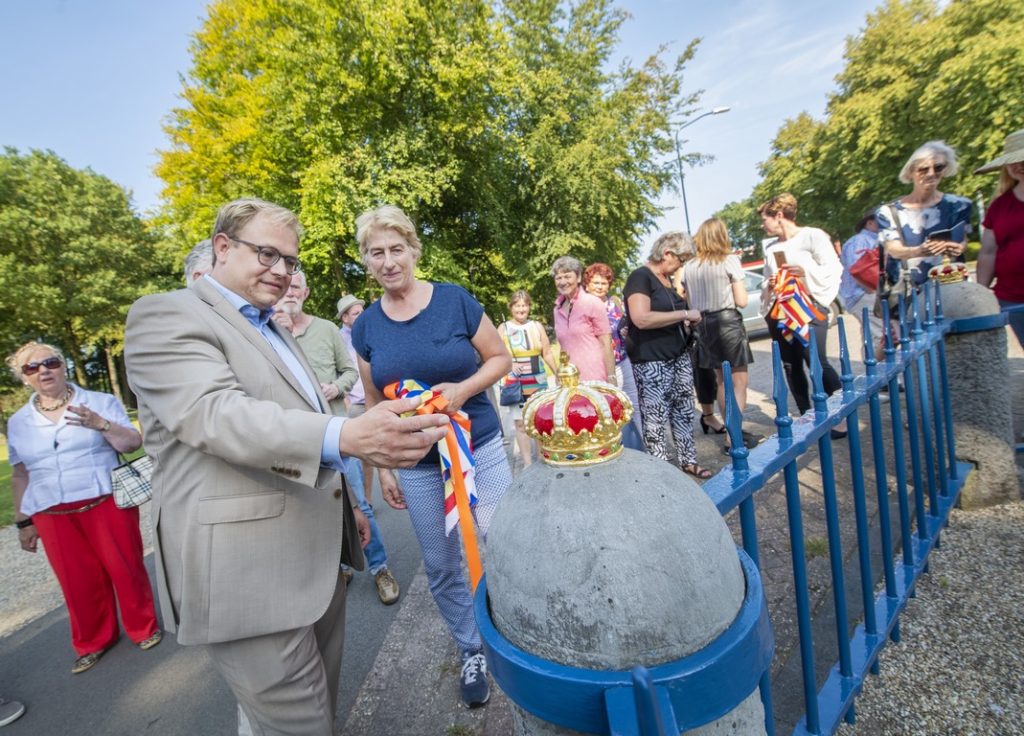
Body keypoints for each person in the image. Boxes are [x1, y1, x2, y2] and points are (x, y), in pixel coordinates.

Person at [124, 198, 449, 735]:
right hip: (245, 576)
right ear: (223, 247)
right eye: (267, 254)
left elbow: (304, 422)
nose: (282, 271)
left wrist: (350, 509)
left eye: (291, 261)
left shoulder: (272, 326)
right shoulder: (166, 313)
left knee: (320, 714)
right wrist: (349, 435)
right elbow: (214, 413)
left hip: (317, 563)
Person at [351, 204, 512, 709]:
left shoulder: (454, 301)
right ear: (367, 261)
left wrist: (462, 391)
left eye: (396, 249)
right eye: (376, 253)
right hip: (417, 463)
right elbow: (375, 403)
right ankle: (471, 649)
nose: (387, 261)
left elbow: (501, 357)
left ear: (413, 251)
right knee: (442, 564)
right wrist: (386, 468)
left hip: (477, 446)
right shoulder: (366, 328)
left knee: (501, 540)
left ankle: (518, 630)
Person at [6, 341, 162, 674]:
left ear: (64, 366)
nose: (44, 370)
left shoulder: (100, 402)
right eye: (33, 367)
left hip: (104, 500)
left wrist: (100, 424)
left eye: (50, 362)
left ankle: (142, 627)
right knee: (76, 581)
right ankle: (93, 641)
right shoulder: (19, 422)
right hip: (52, 512)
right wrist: (23, 523)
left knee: (125, 567)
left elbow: (133, 443)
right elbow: (20, 475)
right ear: (24, 378)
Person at [274, 274, 400, 606]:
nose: (290, 292)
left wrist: (338, 387)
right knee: (320, 509)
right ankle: (342, 565)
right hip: (297, 440)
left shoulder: (327, 330)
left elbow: (350, 371)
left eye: (296, 286)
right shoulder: (269, 333)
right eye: (285, 287)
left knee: (359, 504)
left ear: (306, 291)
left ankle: (380, 568)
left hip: (337, 435)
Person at [623, 232, 711, 480]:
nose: (682, 265)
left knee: (683, 410)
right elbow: (641, 318)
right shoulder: (640, 277)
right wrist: (684, 315)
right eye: (681, 260)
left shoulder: (666, 280)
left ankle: (688, 461)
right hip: (652, 361)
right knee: (655, 418)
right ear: (667, 254)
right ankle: (661, 473)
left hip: (678, 356)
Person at [758, 193, 845, 434]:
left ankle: (839, 412)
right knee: (790, 364)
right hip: (781, 312)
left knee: (816, 360)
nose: (762, 225)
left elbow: (833, 268)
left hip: (808, 308)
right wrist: (771, 284)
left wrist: (804, 272)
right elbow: (766, 279)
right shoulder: (772, 248)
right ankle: (807, 414)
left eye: (765, 219)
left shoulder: (812, 236)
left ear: (778, 216)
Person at [683, 218, 754, 449]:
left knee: (721, 380)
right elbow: (742, 300)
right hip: (727, 321)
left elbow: (688, 300)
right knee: (739, 381)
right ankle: (732, 437)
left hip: (703, 324)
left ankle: (731, 432)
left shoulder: (690, 266)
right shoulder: (729, 260)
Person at [875, 141, 973, 293]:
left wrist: (957, 248)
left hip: (953, 288)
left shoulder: (959, 205)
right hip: (909, 292)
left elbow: (963, 241)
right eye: (923, 169)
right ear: (910, 172)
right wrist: (920, 251)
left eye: (938, 167)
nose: (931, 173)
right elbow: (893, 249)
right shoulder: (888, 212)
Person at [496, 290, 557, 469]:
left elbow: (546, 352)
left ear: (529, 307)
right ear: (511, 307)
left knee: (539, 420)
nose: (521, 309)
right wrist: (508, 366)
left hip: (537, 380)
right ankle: (528, 465)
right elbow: (496, 355)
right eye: (517, 306)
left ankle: (542, 457)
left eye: (524, 305)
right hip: (516, 382)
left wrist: (558, 372)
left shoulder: (536, 326)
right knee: (521, 423)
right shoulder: (503, 328)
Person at [976, 128, 1024, 348]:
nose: (1020, 165)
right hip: (1013, 297)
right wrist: (982, 293)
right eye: (1015, 160)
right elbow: (988, 251)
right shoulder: (999, 206)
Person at [337, 294, 378, 503]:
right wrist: (346, 402)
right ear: (345, 318)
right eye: (356, 313)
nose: (361, 316)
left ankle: (368, 499)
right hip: (353, 405)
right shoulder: (338, 339)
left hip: (373, 401)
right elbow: (338, 372)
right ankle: (357, 501)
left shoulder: (370, 334)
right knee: (355, 456)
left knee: (370, 455)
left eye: (362, 312)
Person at [582, 263, 640, 411]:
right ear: (587, 285)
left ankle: (636, 435)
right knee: (606, 409)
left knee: (632, 406)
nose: (600, 287)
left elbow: (629, 324)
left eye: (604, 283)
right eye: (595, 283)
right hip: (597, 368)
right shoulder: (580, 308)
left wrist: (628, 330)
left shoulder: (616, 303)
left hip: (622, 361)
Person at [550, 256, 615, 383]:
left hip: (595, 379)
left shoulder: (593, 303)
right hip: (570, 381)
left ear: (578, 277)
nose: (563, 282)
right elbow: (564, 347)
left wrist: (612, 377)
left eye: (568, 276)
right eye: (558, 278)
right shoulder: (557, 310)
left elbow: (606, 344)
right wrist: (560, 375)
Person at [838, 213, 886, 356]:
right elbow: (857, 269)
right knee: (880, 336)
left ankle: (872, 372)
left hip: (865, 294)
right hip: (864, 295)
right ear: (870, 223)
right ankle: (878, 374)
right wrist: (870, 289)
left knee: (872, 337)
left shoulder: (868, 240)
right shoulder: (860, 240)